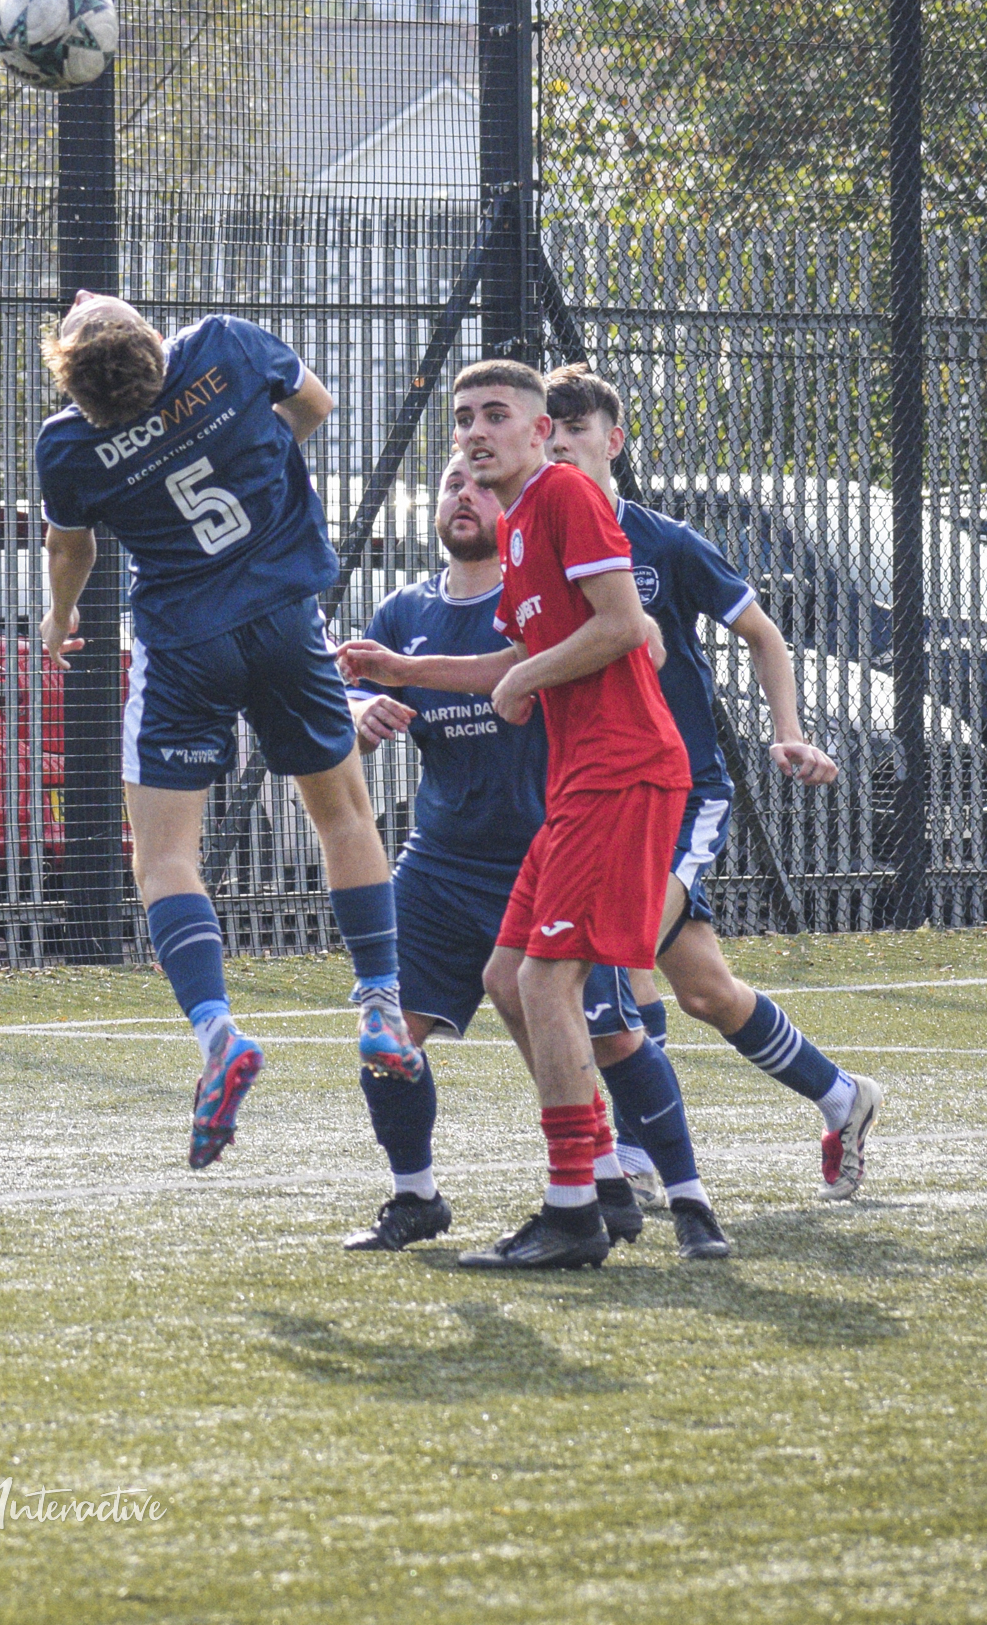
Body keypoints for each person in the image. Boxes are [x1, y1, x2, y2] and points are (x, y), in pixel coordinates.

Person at [35, 295, 416, 1170]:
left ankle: (216, 1034)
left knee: (166, 857)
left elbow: (73, 551)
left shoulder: (68, 443)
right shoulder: (227, 347)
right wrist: (240, 450)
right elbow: (314, 408)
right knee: (345, 817)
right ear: (151, 341)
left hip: (183, 648)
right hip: (285, 617)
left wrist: (59, 622)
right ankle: (383, 1008)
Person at [337, 359, 690, 1269]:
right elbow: (519, 662)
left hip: (594, 795)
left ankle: (606, 1196)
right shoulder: (456, 579)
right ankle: (467, 1192)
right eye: (460, 427)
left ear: (539, 434)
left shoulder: (561, 508)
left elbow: (625, 629)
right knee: (474, 994)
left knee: (583, 1006)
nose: (471, 446)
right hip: (481, 840)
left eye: (496, 419)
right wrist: (391, 685)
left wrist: (530, 672)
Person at [541, 364, 886, 1201]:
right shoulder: (541, 546)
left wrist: (789, 733)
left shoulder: (662, 541)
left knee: (608, 959)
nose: (559, 448)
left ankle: (644, 1153)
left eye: (576, 432)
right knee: (704, 990)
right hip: (597, 792)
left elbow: (764, 635)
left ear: (614, 442)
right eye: (548, 437)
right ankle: (844, 1098)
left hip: (683, 790)